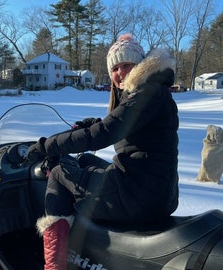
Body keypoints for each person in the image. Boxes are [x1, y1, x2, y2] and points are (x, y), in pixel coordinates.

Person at [28, 33, 179, 270]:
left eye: (126, 65)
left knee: (58, 173)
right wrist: (93, 124)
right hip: (155, 194)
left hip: (138, 198)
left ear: (139, 65)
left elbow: (105, 132)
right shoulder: (153, 91)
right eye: (115, 68)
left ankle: (53, 266)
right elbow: (120, 125)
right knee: (87, 160)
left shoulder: (148, 93)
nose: (120, 73)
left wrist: (47, 146)